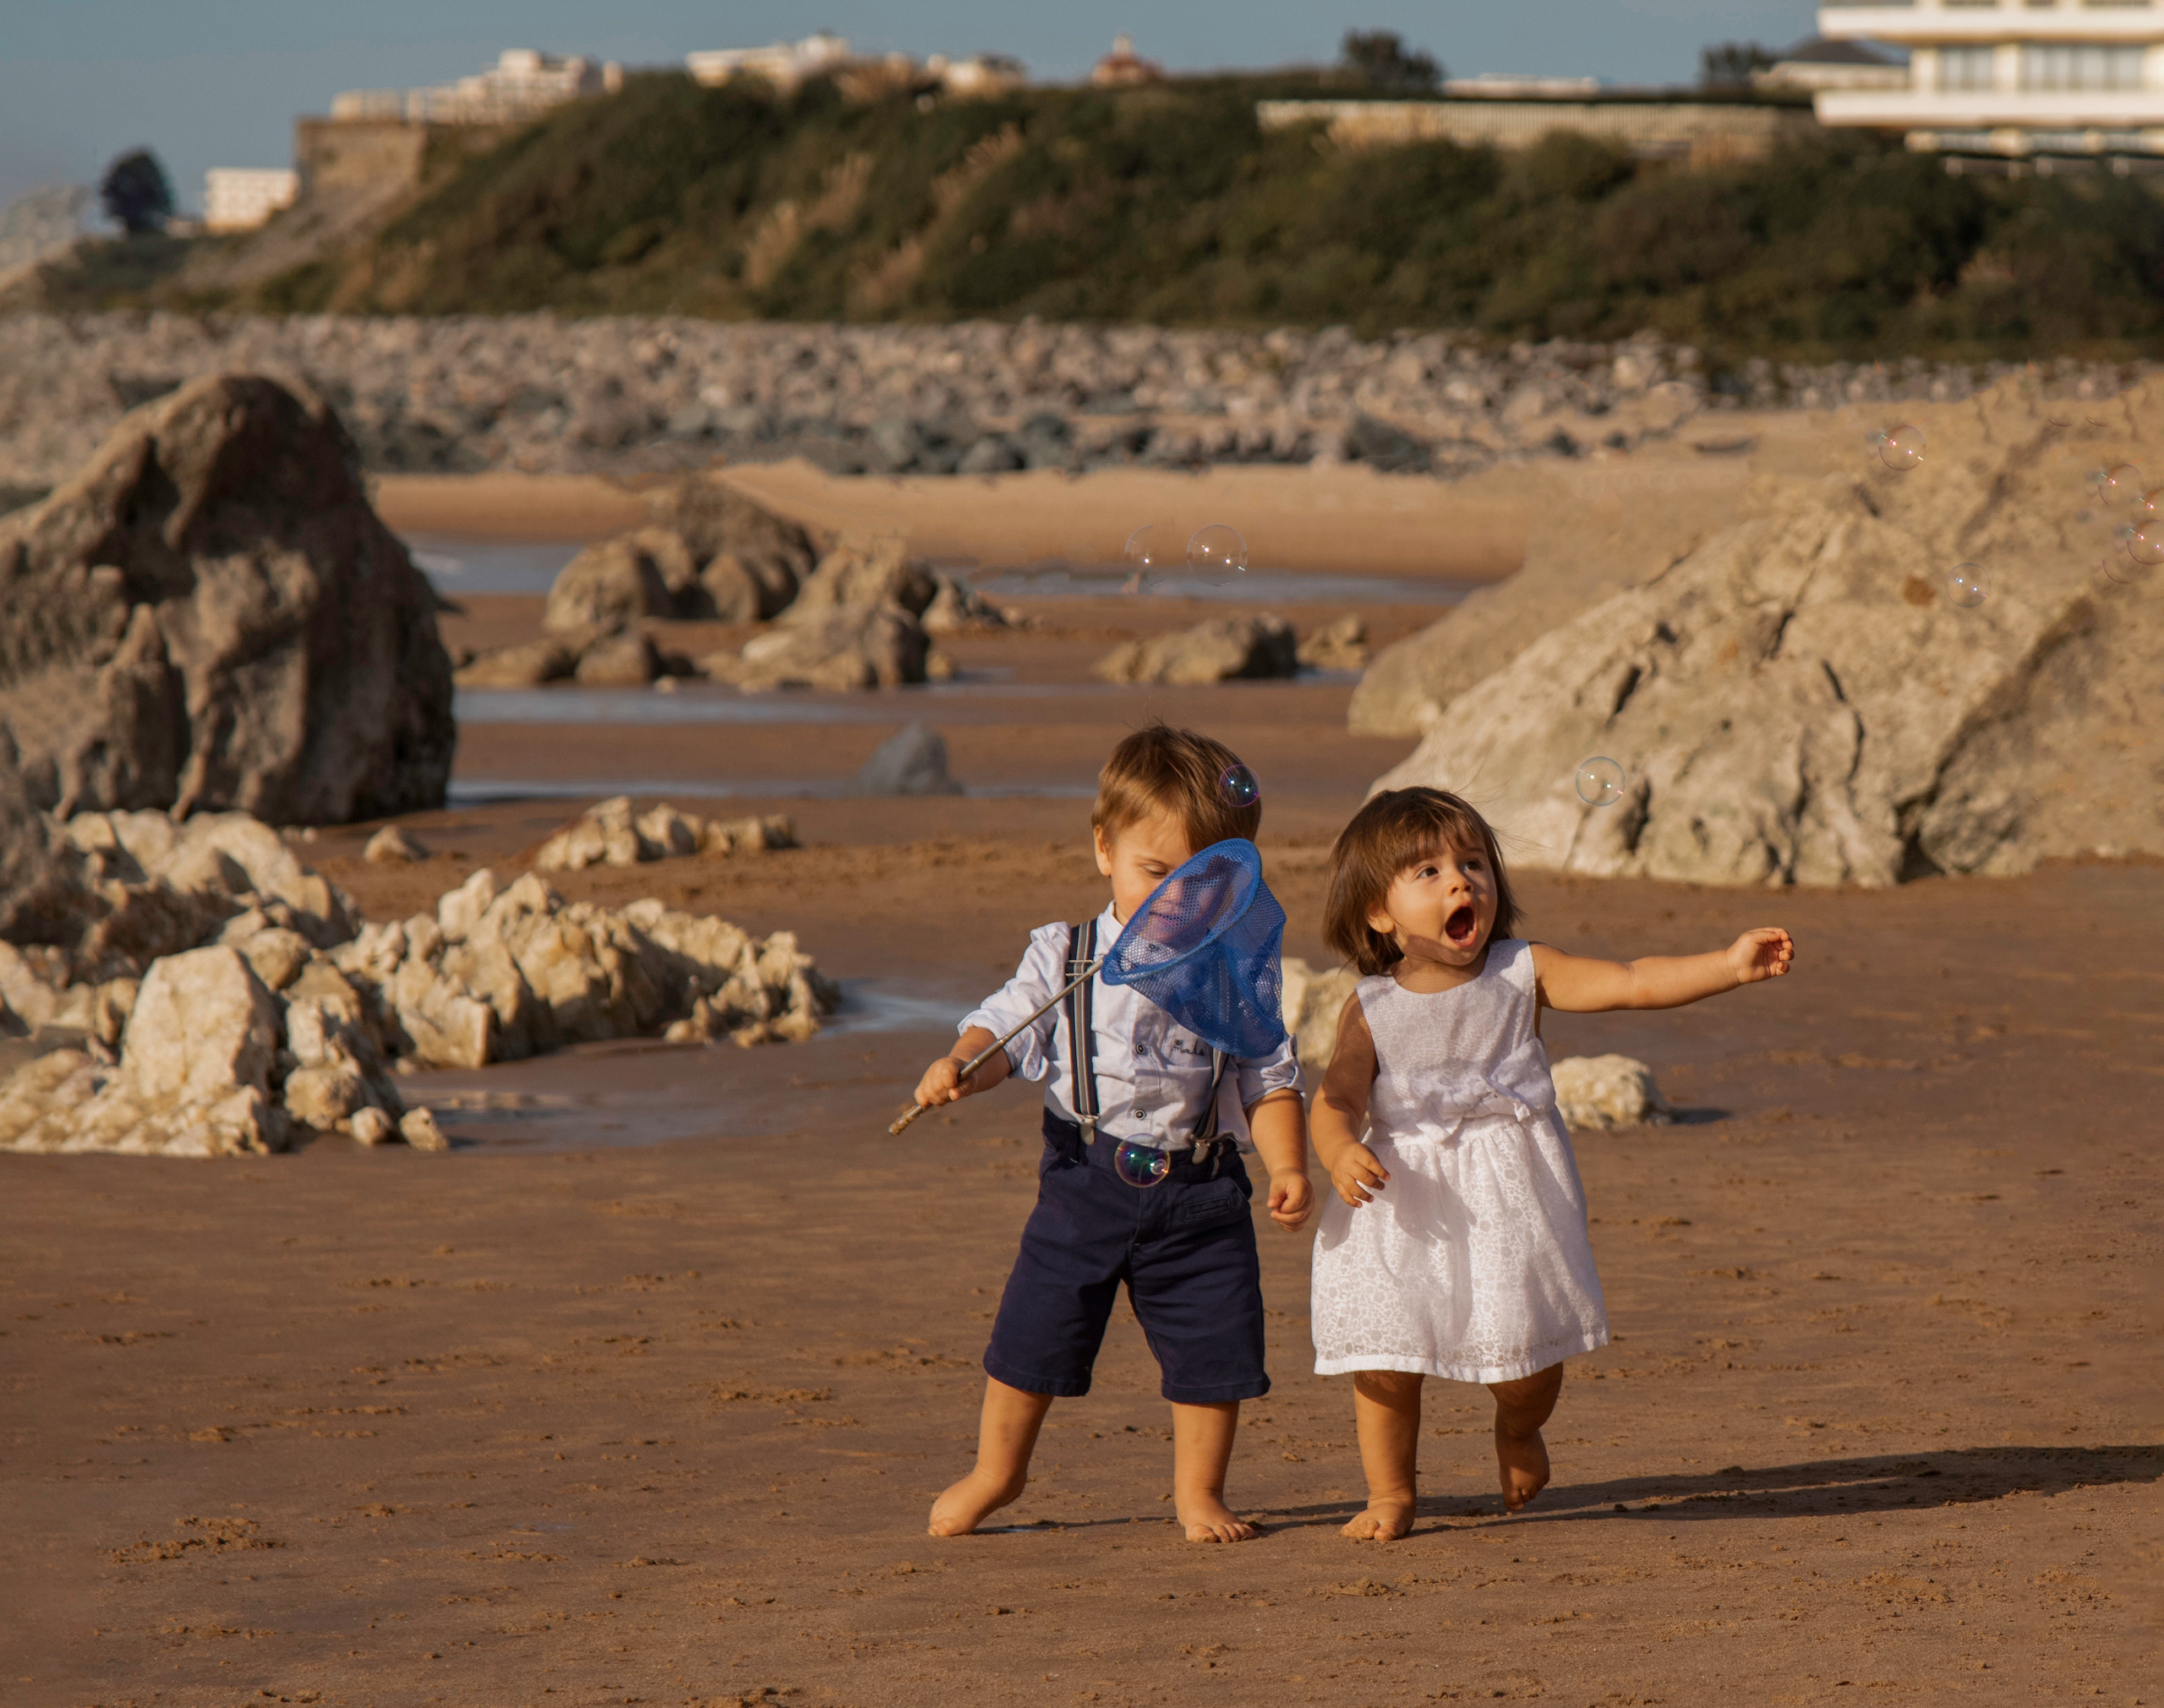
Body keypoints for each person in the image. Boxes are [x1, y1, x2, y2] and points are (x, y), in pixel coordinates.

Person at [1308, 786, 1794, 1541]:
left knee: (1525, 1357)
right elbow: (1336, 1095)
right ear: (1379, 912)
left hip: (1508, 1194)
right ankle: (1392, 1490)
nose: (1461, 881)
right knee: (1386, 1352)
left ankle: (1518, 1428)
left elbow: (1632, 980)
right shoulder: (1372, 1006)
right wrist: (1338, 1148)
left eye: (1473, 863)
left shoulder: (1522, 971)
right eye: (1428, 872)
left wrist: (1728, 965)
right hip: (1404, 1195)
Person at [910, 724, 1314, 1542]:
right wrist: (962, 1061)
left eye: (1201, 883)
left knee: (1213, 1348)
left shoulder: (1233, 976)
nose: (1174, 900)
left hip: (1200, 1192)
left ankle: (1199, 1492)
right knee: (1033, 1332)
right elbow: (1007, 1031)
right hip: (1083, 1179)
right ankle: (999, 1471)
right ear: (1104, 849)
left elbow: (1265, 1077)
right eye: (1154, 872)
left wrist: (1288, 1162)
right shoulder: (1064, 953)